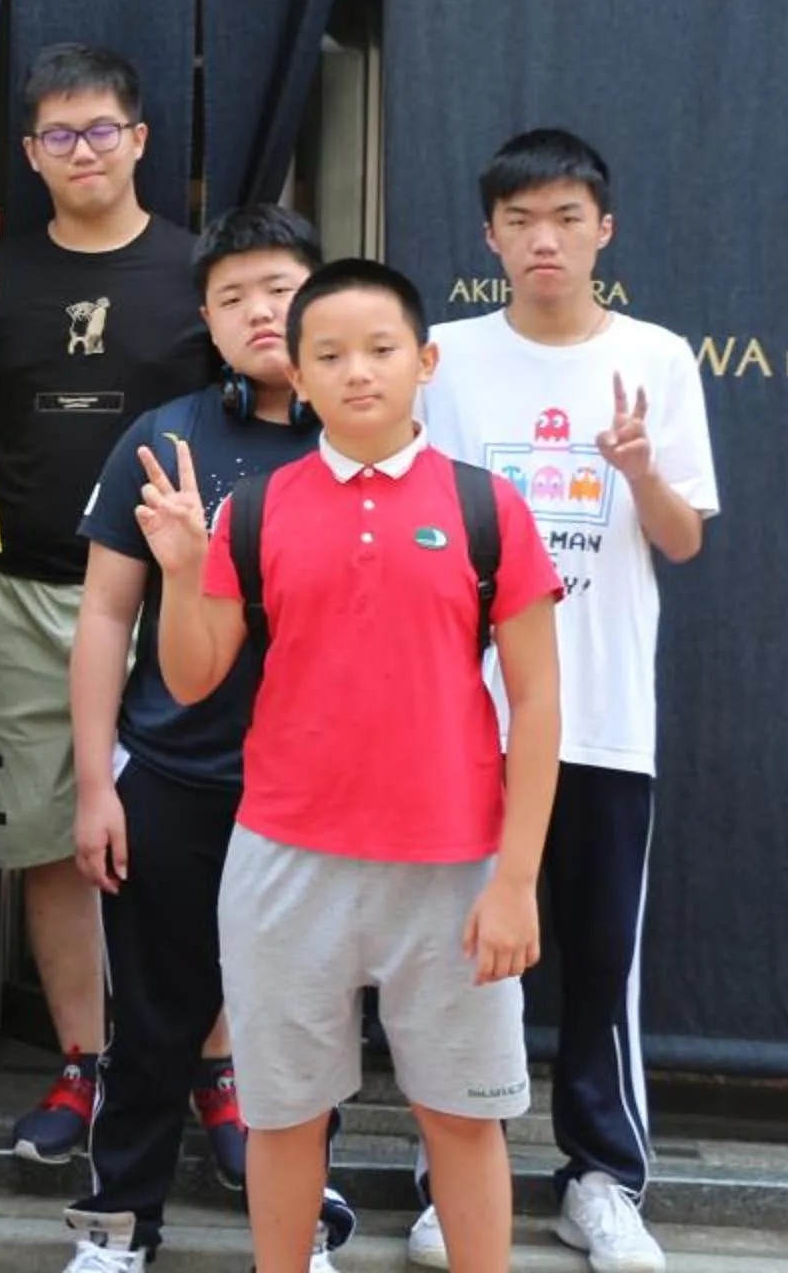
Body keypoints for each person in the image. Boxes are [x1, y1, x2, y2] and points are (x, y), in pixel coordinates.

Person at [143, 259, 564, 1273]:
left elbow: (541, 701)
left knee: (462, 1116)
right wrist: (181, 568)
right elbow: (194, 677)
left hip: (456, 860)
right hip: (286, 854)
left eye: (381, 349)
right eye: (328, 353)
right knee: (286, 1114)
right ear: (299, 368)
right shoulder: (258, 507)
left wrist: (514, 880)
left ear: (425, 361)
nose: (357, 371)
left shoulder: (486, 505)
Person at [409, 131, 716, 1273]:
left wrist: (637, 468)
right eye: (523, 220)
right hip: (464, 719)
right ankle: (460, 1176)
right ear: (490, 236)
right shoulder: (441, 356)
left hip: (599, 716)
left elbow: (683, 540)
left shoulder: (658, 358)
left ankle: (602, 1177)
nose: (547, 239)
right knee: (460, 960)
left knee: (598, 958)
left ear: (605, 229)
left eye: (568, 217)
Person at [60, 204, 354, 1273]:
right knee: (152, 1021)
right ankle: (116, 1228)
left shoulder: (373, 438)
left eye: (278, 286)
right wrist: (97, 782)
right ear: (207, 322)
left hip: (322, 787)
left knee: (307, 1025)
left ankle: (302, 1231)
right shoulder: (165, 436)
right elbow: (104, 617)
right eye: (232, 296)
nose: (258, 310)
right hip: (176, 774)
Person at [0, 45, 214, 1162]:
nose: (83, 150)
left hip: (180, 594)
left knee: (204, 835)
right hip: (28, 585)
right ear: (31, 154)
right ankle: (83, 1063)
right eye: (59, 135)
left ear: (140, 139)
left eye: (102, 129)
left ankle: (215, 1067)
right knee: (50, 838)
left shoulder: (201, 272)